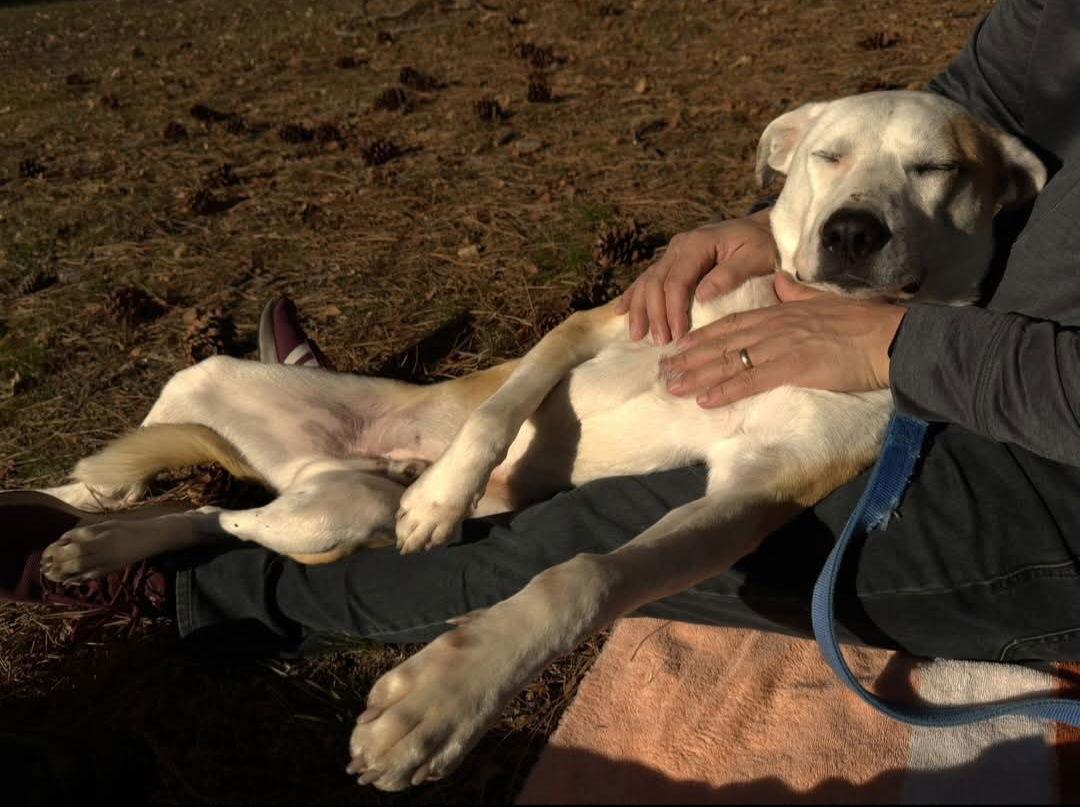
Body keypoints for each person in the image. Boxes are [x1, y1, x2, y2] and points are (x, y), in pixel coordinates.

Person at [7, 0, 1080, 664]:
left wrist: (902, 348)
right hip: (442, 421)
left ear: (1002, 192)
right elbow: (992, 86)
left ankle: (197, 582)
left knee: (575, 548)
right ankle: (79, 497)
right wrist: (770, 222)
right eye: (823, 165)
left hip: (1035, 472)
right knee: (208, 384)